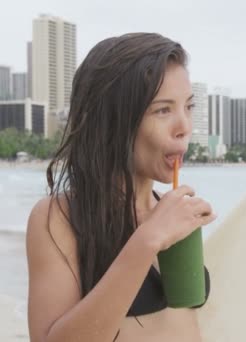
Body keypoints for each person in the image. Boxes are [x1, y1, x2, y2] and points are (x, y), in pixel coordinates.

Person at [26, 33, 216, 342]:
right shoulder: (58, 217)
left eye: (188, 106)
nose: (184, 127)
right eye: (163, 110)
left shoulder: (167, 211)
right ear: (114, 121)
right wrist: (148, 239)